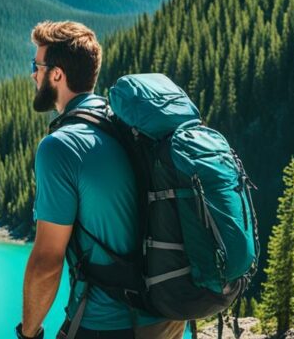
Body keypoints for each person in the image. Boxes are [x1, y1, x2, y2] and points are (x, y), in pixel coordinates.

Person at [17, 21, 186, 339]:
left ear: (57, 74)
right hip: (168, 314)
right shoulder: (124, 124)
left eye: (36, 65)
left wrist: (28, 333)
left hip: (112, 325)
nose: (33, 75)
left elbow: (47, 261)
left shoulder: (60, 146)